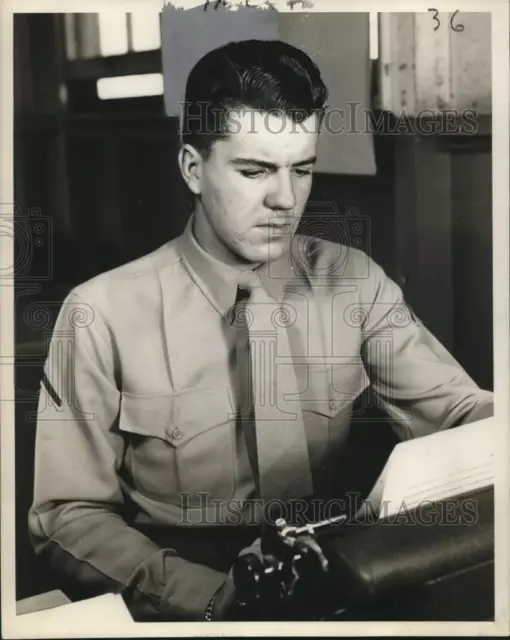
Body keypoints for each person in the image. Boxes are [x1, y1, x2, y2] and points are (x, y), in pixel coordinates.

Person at [28, 39, 494, 621]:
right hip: (183, 596)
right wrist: (209, 599)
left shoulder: (353, 281)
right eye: (255, 170)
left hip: (337, 576)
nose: (285, 198)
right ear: (192, 168)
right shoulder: (99, 314)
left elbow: (464, 415)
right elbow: (66, 516)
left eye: (302, 169)